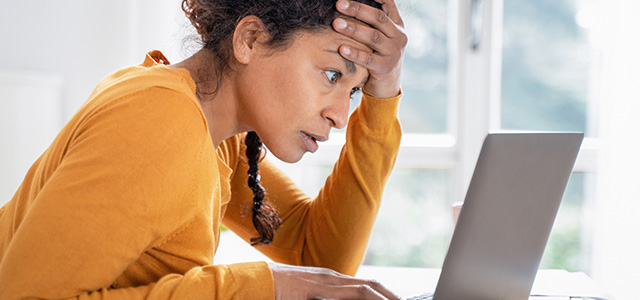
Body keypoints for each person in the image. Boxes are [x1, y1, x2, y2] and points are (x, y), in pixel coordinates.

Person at [0, 0, 406, 298]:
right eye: (332, 73)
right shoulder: (159, 119)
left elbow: (318, 257)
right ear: (250, 39)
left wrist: (384, 93)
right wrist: (259, 288)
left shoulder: (218, 134)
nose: (339, 115)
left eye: (353, 93)